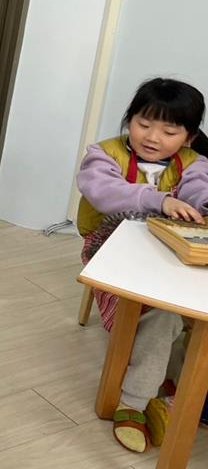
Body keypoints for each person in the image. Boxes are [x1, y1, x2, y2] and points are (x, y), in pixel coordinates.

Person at [76, 77, 208, 453]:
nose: (152, 137)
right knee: (162, 316)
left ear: (189, 138)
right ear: (129, 120)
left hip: (165, 250)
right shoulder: (104, 154)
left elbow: (199, 190)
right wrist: (160, 200)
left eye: (169, 131)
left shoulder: (195, 163)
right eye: (144, 124)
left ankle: (175, 387)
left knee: (192, 313)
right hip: (108, 250)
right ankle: (134, 401)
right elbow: (104, 192)